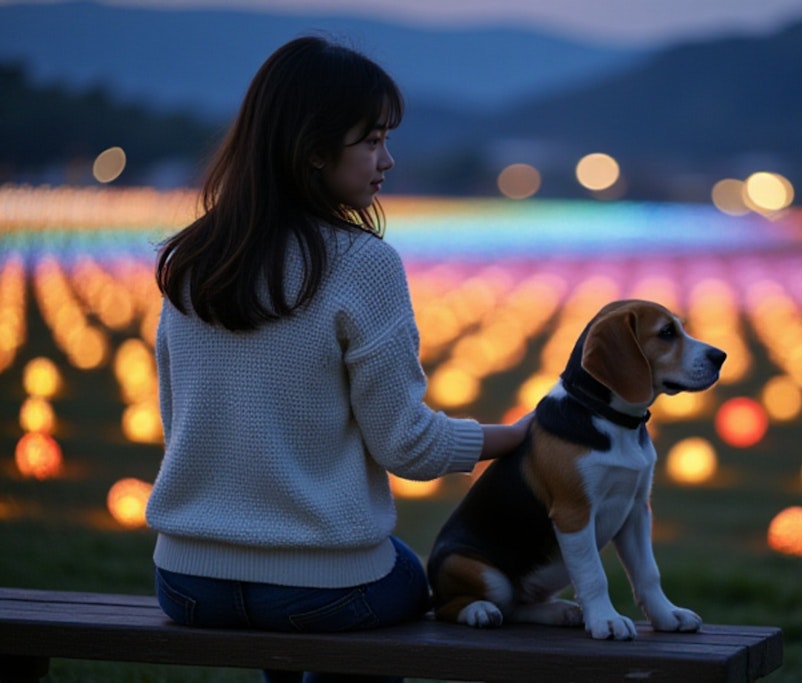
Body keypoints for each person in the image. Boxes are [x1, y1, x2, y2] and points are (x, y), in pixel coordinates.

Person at [145, 35, 530, 683]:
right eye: (372, 140)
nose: (388, 159)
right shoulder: (362, 264)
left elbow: (178, 419)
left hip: (185, 581)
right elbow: (406, 445)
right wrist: (515, 436)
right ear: (315, 149)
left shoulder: (193, 259)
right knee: (410, 578)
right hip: (322, 588)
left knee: (313, 606)